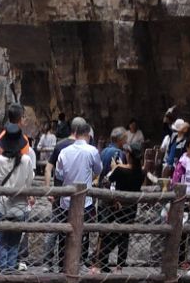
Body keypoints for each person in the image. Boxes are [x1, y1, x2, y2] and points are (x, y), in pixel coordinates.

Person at [53, 116, 102, 265]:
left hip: (66, 201)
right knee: (83, 233)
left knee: (64, 235)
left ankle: (63, 264)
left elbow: (59, 175)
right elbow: (98, 169)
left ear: (75, 134)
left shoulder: (64, 152)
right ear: (87, 134)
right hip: (85, 202)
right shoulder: (92, 151)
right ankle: (79, 264)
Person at [0, 117, 35, 273]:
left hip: (2, 205)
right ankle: (10, 271)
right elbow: (29, 182)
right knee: (14, 243)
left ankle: (3, 271)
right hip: (20, 206)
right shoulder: (27, 160)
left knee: (2, 241)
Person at [100, 139, 146, 272]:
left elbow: (106, 181)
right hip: (131, 208)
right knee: (125, 235)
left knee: (111, 234)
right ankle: (120, 265)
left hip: (117, 206)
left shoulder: (120, 170)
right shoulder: (141, 173)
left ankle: (103, 261)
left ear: (129, 156)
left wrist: (114, 168)